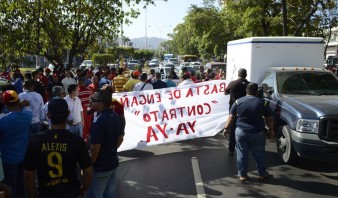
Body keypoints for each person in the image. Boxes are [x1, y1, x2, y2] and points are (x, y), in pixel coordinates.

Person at [23, 98, 93, 198]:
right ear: (68, 114)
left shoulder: (36, 140)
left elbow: (28, 174)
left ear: (48, 115)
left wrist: (32, 194)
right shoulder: (76, 141)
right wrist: (83, 189)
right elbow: (88, 171)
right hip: (71, 193)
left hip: (46, 194)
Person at [223, 83, 274, 182]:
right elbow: (269, 118)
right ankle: (262, 174)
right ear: (257, 92)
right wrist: (271, 130)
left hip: (241, 132)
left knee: (242, 153)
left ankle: (242, 175)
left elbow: (231, 116)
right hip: (257, 133)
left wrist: (226, 128)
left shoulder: (238, 102)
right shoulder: (263, 103)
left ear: (246, 90)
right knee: (259, 153)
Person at [86, 90, 123, 198]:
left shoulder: (99, 121)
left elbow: (94, 150)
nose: (90, 102)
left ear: (101, 103)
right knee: (110, 193)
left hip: (100, 167)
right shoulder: (115, 115)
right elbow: (120, 138)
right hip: (112, 162)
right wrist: (111, 149)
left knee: (95, 194)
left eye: (93, 100)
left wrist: (88, 166)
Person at [0, 90, 32, 198]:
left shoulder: (3, 121)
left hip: (8, 159)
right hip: (23, 156)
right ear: (18, 101)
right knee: (21, 183)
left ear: (5, 103)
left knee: (10, 185)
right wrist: (21, 105)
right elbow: (23, 110)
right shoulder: (28, 114)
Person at [224, 68, 250, 154]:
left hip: (234, 110)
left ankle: (231, 149)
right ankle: (245, 148)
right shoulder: (249, 85)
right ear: (246, 75)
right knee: (246, 128)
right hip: (246, 110)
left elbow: (225, 92)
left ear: (238, 74)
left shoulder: (232, 83)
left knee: (233, 129)